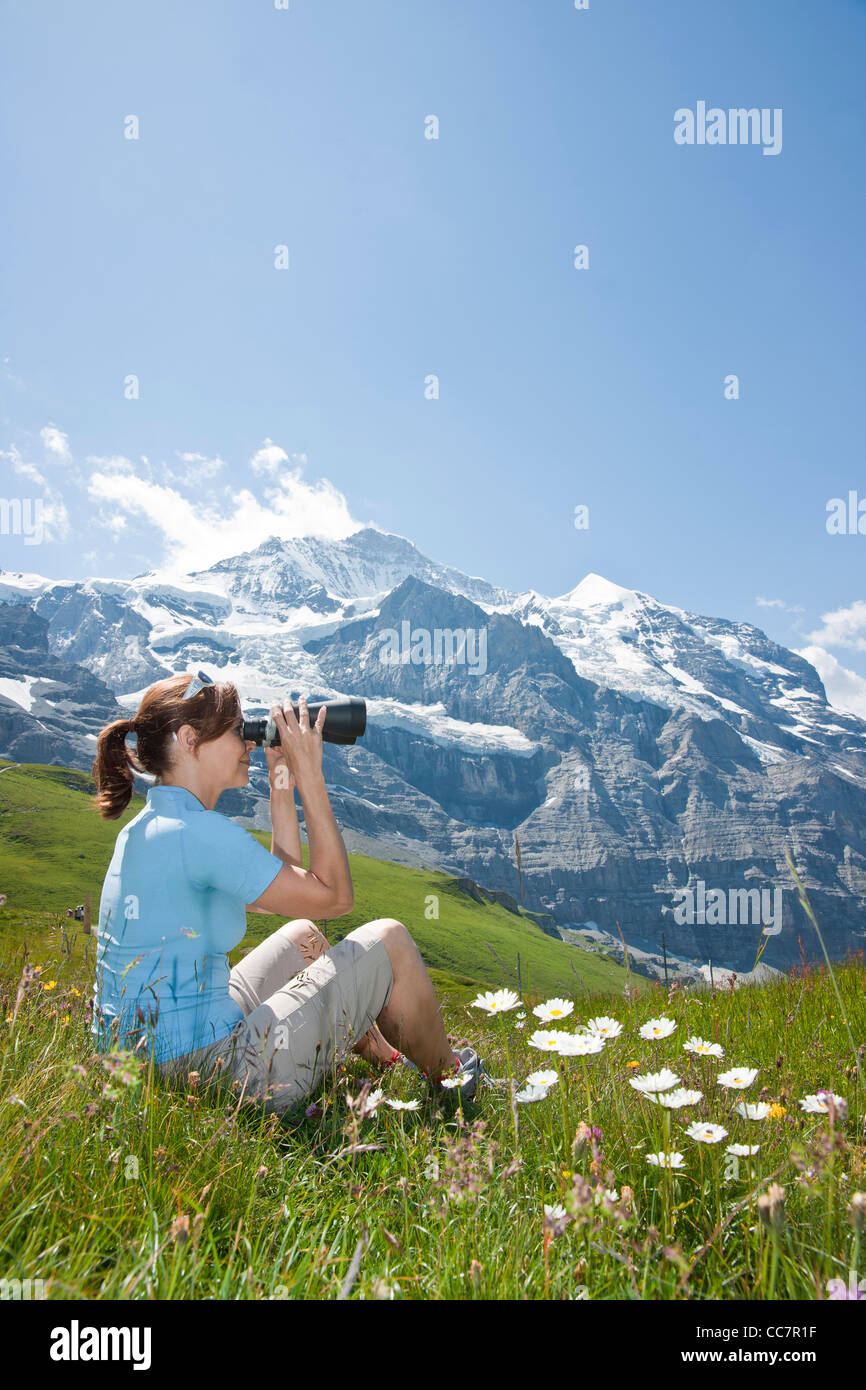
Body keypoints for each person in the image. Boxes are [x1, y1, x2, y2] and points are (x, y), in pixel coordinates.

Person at [89, 670, 489, 1112]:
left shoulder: (154, 827)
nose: (247, 744)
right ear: (188, 740)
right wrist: (311, 774)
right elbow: (334, 896)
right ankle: (456, 1085)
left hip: (142, 1065)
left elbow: (291, 886)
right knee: (390, 939)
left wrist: (283, 780)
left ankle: (390, 1062)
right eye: (237, 731)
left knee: (302, 935)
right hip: (216, 1074)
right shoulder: (199, 834)